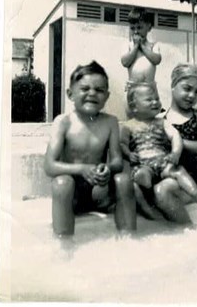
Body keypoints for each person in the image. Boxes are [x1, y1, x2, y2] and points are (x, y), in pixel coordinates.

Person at [44, 60, 136, 236]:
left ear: (107, 96)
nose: (92, 93)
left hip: (99, 193)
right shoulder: (63, 122)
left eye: (99, 90)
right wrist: (82, 169)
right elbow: (49, 165)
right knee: (62, 182)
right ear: (70, 94)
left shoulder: (110, 122)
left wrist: (107, 168)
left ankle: (129, 239)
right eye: (85, 89)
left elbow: (117, 160)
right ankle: (64, 245)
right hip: (72, 195)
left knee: (123, 180)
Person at [134, 63, 197, 225]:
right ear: (173, 85)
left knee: (162, 190)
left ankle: (188, 232)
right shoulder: (159, 118)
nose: (192, 95)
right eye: (187, 88)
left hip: (187, 181)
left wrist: (177, 141)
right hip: (161, 174)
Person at [120, 83, 197, 213]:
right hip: (142, 163)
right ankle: (146, 187)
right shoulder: (128, 126)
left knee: (178, 171)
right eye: (149, 100)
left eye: (157, 99)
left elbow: (175, 136)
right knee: (142, 174)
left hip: (162, 162)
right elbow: (122, 143)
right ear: (134, 106)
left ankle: (194, 192)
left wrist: (175, 153)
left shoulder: (162, 122)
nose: (155, 102)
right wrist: (128, 154)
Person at [121, 7, 161, 91]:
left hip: (149, 87)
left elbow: (157, 60)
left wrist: (142, 46)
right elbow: (125, 62)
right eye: (132, 28)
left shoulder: (153, 45)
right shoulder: (129, 46)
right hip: (132, 87)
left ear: (149, 27)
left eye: (139, 28)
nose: (136, 31)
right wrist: (136, 47)